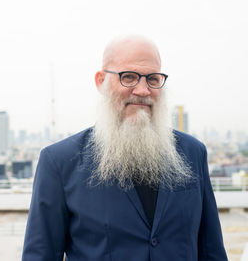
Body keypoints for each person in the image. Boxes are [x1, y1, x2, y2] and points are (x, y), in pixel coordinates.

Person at [22, 36, 228, 261]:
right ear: (100, 81)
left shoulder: (192, 153)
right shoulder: (59, 162)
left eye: (152, 79)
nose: (142, 90)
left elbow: (212, 251)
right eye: (128, 77)